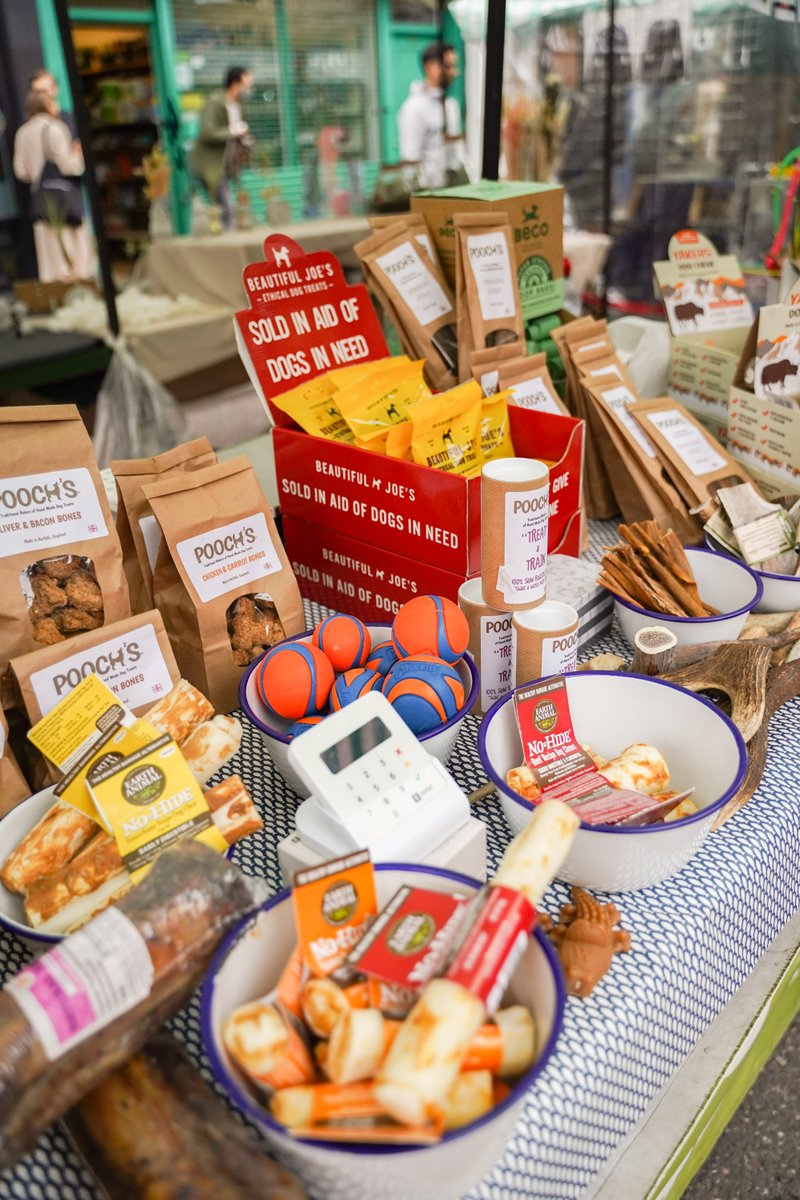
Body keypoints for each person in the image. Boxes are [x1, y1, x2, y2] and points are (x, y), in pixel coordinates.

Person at [13, 90, 93, 282]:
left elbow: (20, 171)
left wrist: (37, 176)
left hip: (40, 198)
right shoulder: (56, 128)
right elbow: (68, 166)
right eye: (53, 101)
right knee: (74, 252)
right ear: (46, 105)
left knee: (49, 255)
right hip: (64, 199)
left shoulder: (22, 132)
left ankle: (54, 296)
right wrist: (78, 155)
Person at [190, 66, 253, 230]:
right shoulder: (215, 102)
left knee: (233, 207)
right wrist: (232, 131)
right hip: (211, 163)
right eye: (246, 85)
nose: (248, 89)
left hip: (229, 163)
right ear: (235, 83)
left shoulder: (238, 106)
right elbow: (207, 131)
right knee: (226, 209)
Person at [397, 42, 463, 189]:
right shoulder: (413, 109)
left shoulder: (451, 105)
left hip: (454, 190)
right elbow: (410, 161)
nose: (454, 72)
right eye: (448, 66)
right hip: (429, 194)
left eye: (454, 66)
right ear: (430, 68)